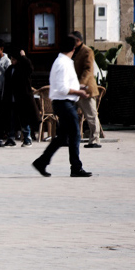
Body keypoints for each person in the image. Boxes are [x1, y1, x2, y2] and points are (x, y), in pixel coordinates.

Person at [32, 35, 92, 178]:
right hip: (64, 103)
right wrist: (80, 92)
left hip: (64, 103)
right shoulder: (63, 63)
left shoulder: (64, 62)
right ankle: (76, 167)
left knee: (62, 137)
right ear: (73, 48)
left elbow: (65, 84)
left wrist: (80, 86)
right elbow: (63, 88)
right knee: (75, 134)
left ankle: (42, 161)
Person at [2, 47, 37, 147]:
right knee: (11, 119)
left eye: (14, 59)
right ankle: (11, 138)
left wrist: (24, 57)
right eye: (11, 59)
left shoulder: (23, 69)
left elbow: (30, 67)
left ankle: (27, 138)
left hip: (22, 98)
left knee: (24, 119)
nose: (12, 61)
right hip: (11, 98)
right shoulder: (10, 69)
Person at [72, 30, 102, 149]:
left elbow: (88, 70)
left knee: (91, 115)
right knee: (71, 113)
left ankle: (95, 140)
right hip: (75, 89)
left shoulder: (87, 51)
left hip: (86, 89)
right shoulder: (74, 51)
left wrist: (81, 85)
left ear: (78, 41)